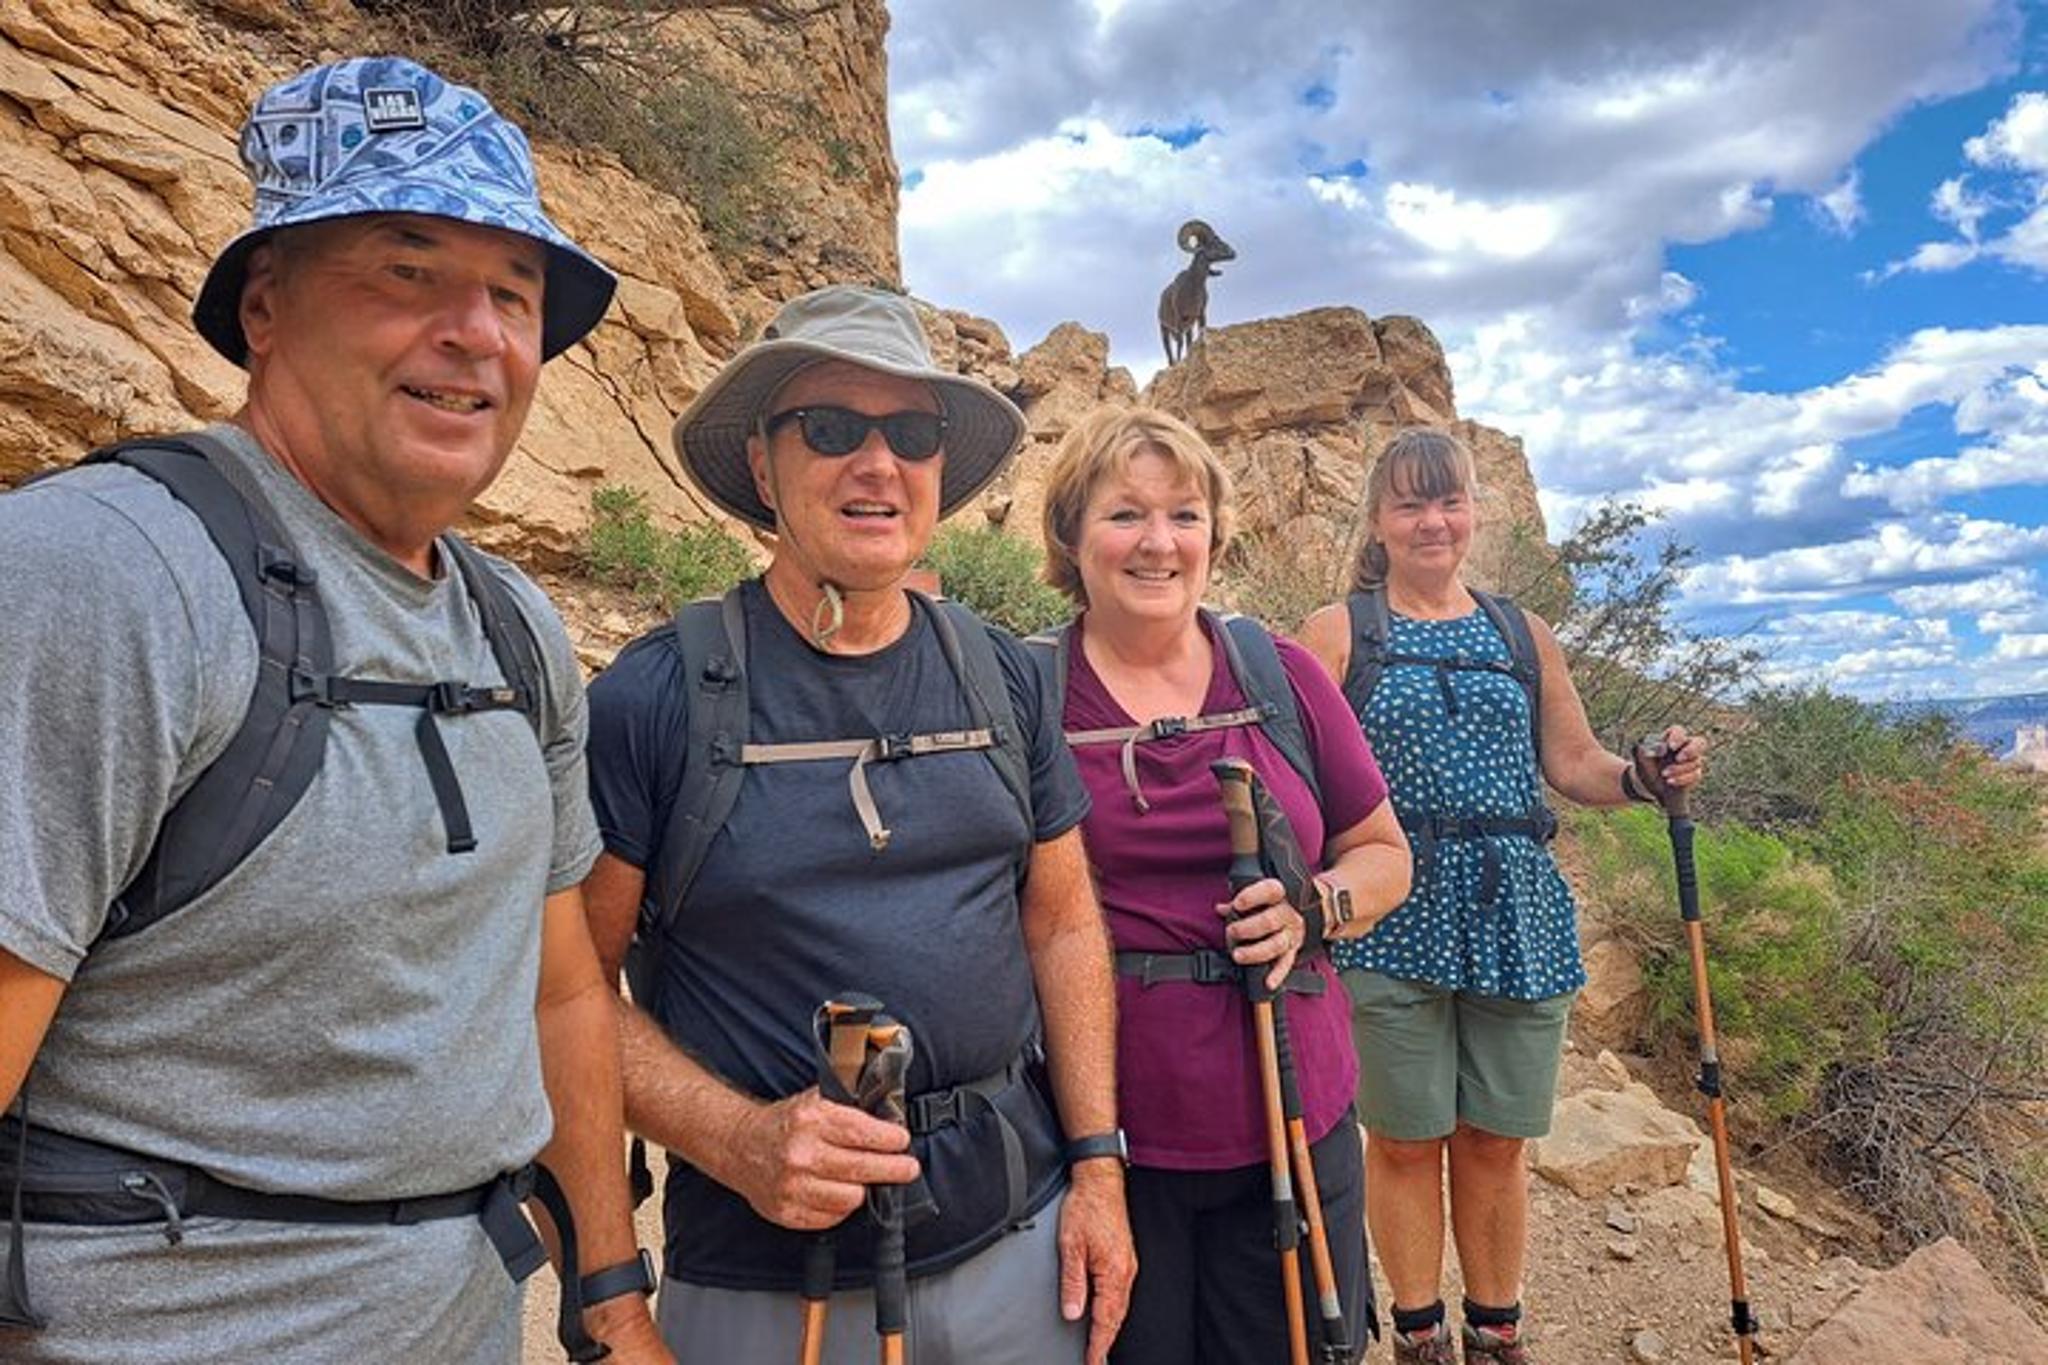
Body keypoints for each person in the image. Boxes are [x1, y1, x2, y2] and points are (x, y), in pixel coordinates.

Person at [0, 57, 668, 1363]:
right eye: (406, 271)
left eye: (514, 295)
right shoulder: (106, 578)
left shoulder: (516, 630)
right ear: (267, 307)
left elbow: (563, 997)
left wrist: (609, 1295)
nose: (476, 332)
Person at [581, 284, 1137, 1365]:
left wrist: (1098, 1170)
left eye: (911, 433)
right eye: (830, 430)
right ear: (760, 465)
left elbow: (1062, 923)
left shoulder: (1003, 676)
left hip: (1016, 1247)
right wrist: (735, 1139)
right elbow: (565, 993)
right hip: (766, 1287)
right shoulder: (655, 701)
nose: (876, 465)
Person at [1297, 427, 1706, 1365]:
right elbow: (1297, 771)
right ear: (1380, 519)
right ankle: (1418, 1333)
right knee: (1404, 1139)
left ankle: (1496, 1330)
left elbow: (1574, 763)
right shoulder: (1338, 632)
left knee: (1494, 1137)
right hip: (1388, 913)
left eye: (1449, 501)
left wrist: (1645, 774)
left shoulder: (1521, 632)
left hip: (1514, 908)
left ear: (1474, 511)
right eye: (1411, 503)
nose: (1433, 520)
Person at [1033, 406, 1411, 1365]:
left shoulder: (1278, 674)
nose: (1159, 542)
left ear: (1215, 533)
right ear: (1070, 535)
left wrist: (1314, 907)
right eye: (1124, 514)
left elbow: (1383, 851)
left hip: (1290, 1103)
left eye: (1185, 514)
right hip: (1105, 1137)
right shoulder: (1026, 691)